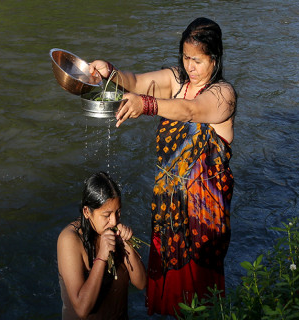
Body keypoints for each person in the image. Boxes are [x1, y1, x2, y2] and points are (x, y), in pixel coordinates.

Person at [89, 17, 236, 316]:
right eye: (185, 57)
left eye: (198, 60)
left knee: (199, 301)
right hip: (168, 211)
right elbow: (134, 82)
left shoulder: (223, 95)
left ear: (215, 58)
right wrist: (109, 72)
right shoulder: (175, 81)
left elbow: (190, 110)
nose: (190, 66)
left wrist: (148, 105)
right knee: (172, 300)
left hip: (204, 217)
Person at [57, 171, 147, 319]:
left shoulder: (115, 232)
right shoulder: (70, 240)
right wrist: (101, 257)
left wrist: (127, 245)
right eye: (107, 215)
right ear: (87, 211)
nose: (114, 221)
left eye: (118, 212)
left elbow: (141, 283)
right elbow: (82, 309)